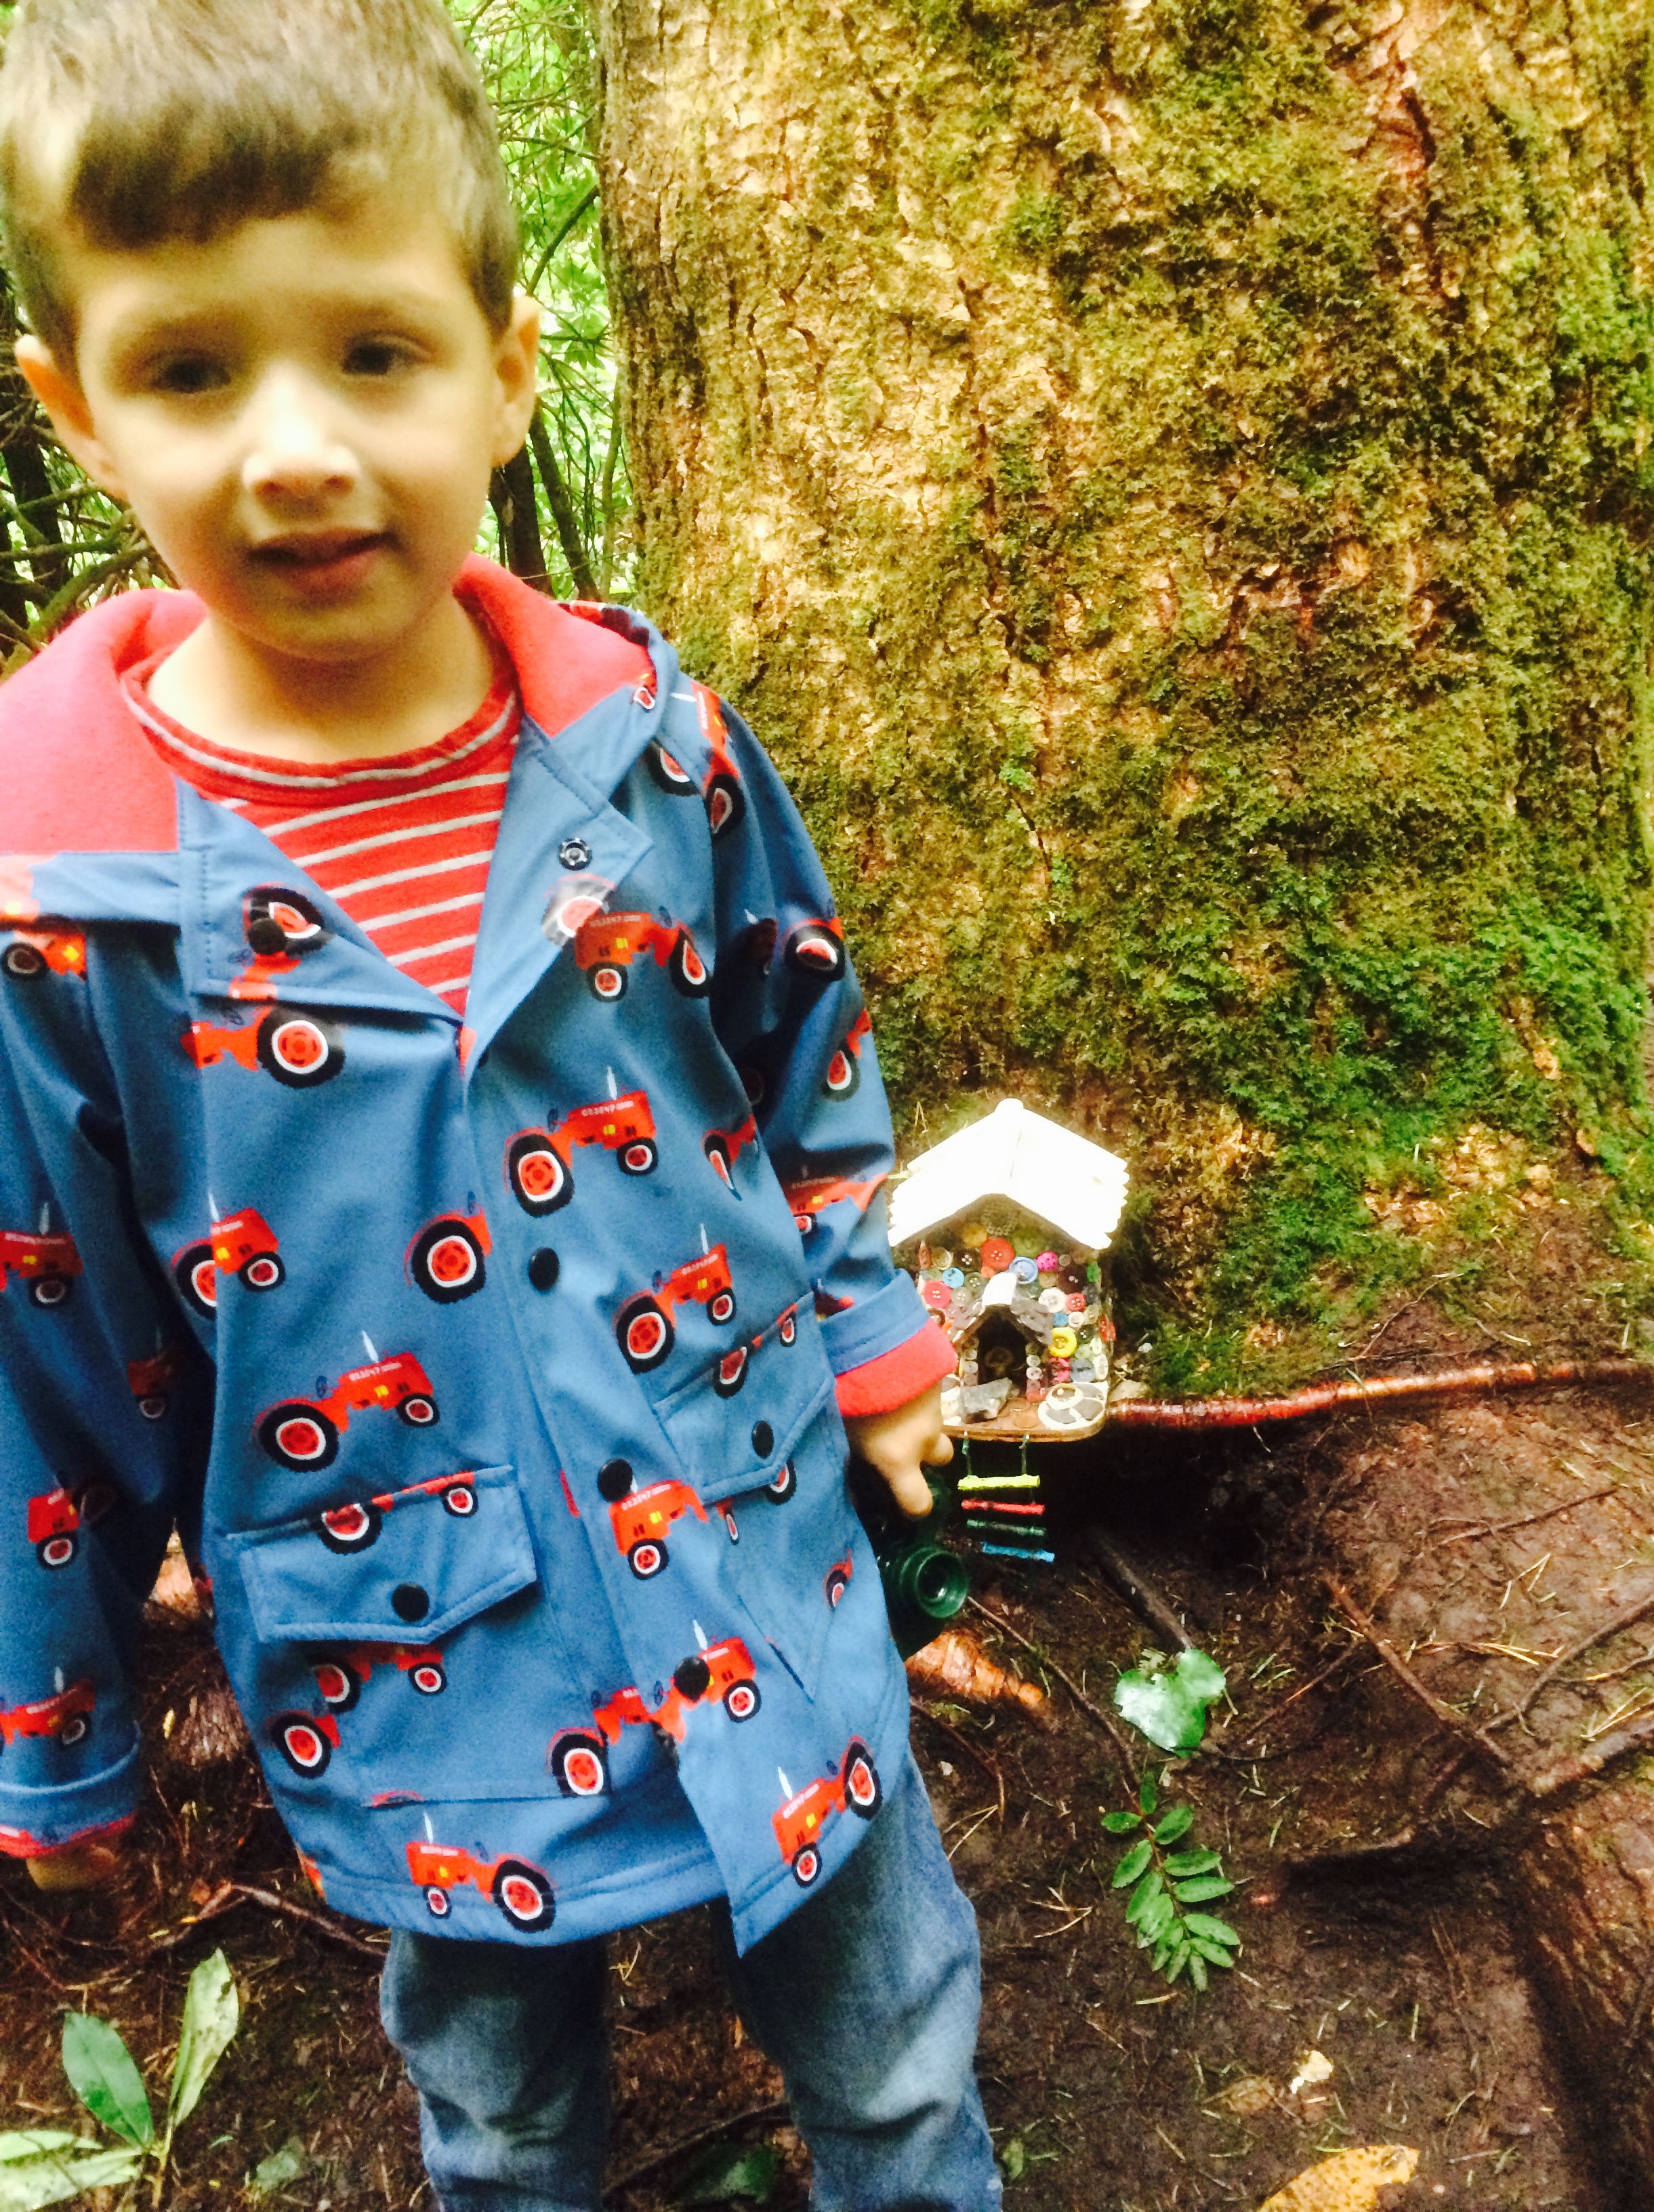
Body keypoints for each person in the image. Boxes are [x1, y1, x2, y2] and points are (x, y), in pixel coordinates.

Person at [0, 3, 1001, 2205]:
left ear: (507, 366)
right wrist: (52, 1727)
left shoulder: (646, 742)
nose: (294, 449)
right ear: (76, 409)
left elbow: (798, 1029)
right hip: (421, 1673)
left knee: (898, 2048)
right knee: (502, 2113)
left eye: (374, 353)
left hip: (758, 1562)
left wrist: (873, 1327)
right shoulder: (67, 908)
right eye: (193, 370)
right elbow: (44, 1345)